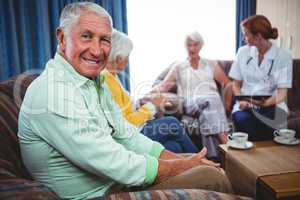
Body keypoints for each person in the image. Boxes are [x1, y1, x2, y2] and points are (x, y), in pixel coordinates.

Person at [18, 3, 232, 199]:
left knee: (200, 165)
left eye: (104, 40)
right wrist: (183, 165)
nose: (96, 49)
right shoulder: (54, 92)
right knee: (214, 177)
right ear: (62, 38)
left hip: (114, 180)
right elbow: (116, 163)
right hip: (98, 193)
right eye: (86, 36)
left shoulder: (96, 80)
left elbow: (127, 135)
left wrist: (184, 162)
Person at [103, 30, 198, 153]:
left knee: (175, 146)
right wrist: (152, 106)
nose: (127, 61)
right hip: (130, 135)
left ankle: (198, 165)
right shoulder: (107, 79)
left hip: (134, 130)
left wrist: (144, 103)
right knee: (171, 123)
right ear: (118, 57)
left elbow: (124, 108)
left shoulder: (113, 76)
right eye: (127, 56)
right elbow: (125, 123)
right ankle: (204, 163)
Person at [156, 31, 231, 158]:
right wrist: (150, 94)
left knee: (208, 108)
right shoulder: (179, 66)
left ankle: (213, 156)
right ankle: (227, 142)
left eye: (195, 45)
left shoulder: (211, 64)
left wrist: (227, 105)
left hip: (211, 104)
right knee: (211, 100)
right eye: (189, 45)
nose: (192, 48)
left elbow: (228, 84)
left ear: (201, 45)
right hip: (190, 103)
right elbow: (164, 86)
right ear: (185, 47)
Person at [229, 15, 293, 141]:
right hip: (246, 104)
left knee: (272, 121)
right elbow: (236, 84)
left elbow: (282, 93)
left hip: (272, 104)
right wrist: (242, 100)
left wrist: (264, 103)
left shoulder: (283, 56)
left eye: (246, 35)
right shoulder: (243, 52)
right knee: (242, 120)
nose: (244, 38)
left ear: (258, 37)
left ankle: (266, 156)